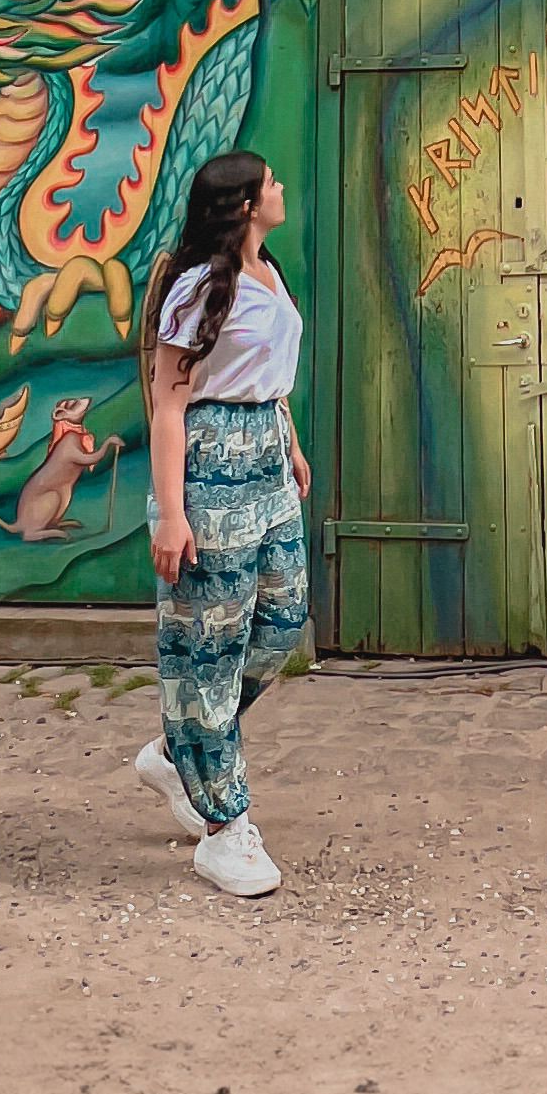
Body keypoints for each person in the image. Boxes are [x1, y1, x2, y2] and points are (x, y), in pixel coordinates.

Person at [133, 148, 310, 899]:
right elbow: (170, 403)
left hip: (268, 462)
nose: (279, 189)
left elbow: (264, 372)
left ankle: (183, 748)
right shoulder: (198, 289)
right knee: (209, 649)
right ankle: (223, 825)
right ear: (241, 204)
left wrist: (292, 443)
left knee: (281, 623)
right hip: (209, 470)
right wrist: (172, 514)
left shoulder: (268, 270)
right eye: (269, 182)